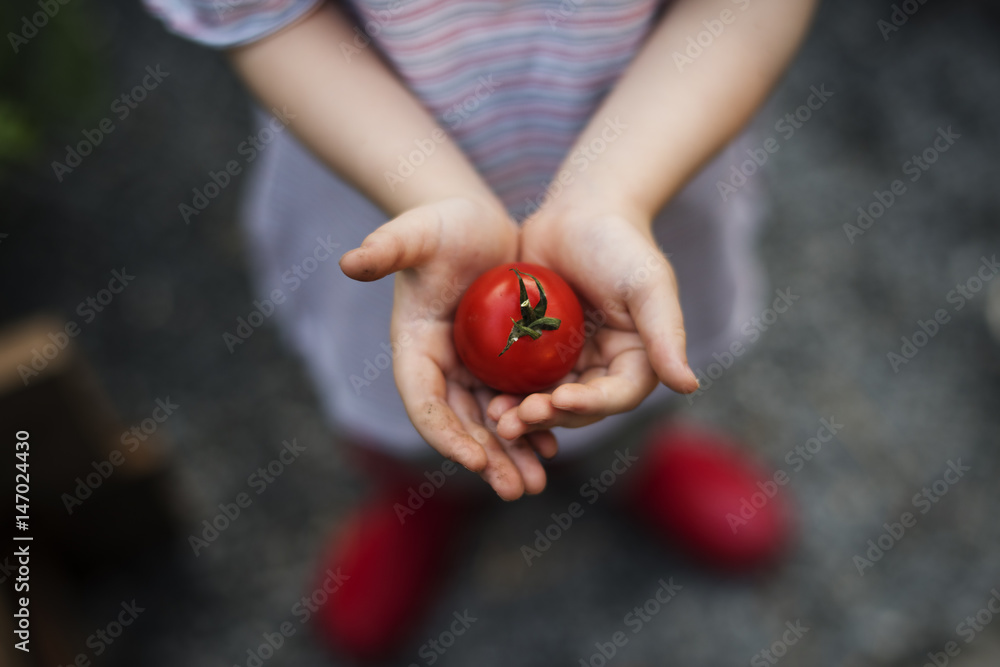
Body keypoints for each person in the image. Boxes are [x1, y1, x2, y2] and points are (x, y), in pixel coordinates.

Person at [145, 0, 817, 658]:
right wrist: (435, 195)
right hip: (375, 179)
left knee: (637, 359)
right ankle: (423, 500)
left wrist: (614, 192)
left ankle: (632, 459)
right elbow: (261, 16)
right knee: (408, 400)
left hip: (655, 155)